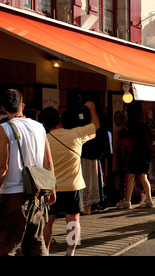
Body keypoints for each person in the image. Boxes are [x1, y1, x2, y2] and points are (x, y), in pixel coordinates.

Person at [0, 89, 55, 256]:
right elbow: (48, 162)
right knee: (36, 245)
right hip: (37, 194)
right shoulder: (39, 127)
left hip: (12, 195)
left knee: (6, 246)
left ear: (3, 108)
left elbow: (3, 166)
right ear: (22, 105)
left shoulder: (4, 128)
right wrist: (52, 189)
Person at [41, 102, 99, 256]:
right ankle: (70, 252)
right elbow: (95, 126)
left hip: (50, 186)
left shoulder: (43, 140)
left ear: (44, 124)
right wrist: (92, 108)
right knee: (73, 220)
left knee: (48, 221)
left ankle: (45, 252)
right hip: (73, 185)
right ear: (60, 118)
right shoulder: (75, 134)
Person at [116, 102, 155, 210]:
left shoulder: (132, 124)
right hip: (145, 153)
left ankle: (127, 201)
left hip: (136, 153)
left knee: (130, 176)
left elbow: (125, 136)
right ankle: (149, 200)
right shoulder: (144, 123)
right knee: (143, 176)